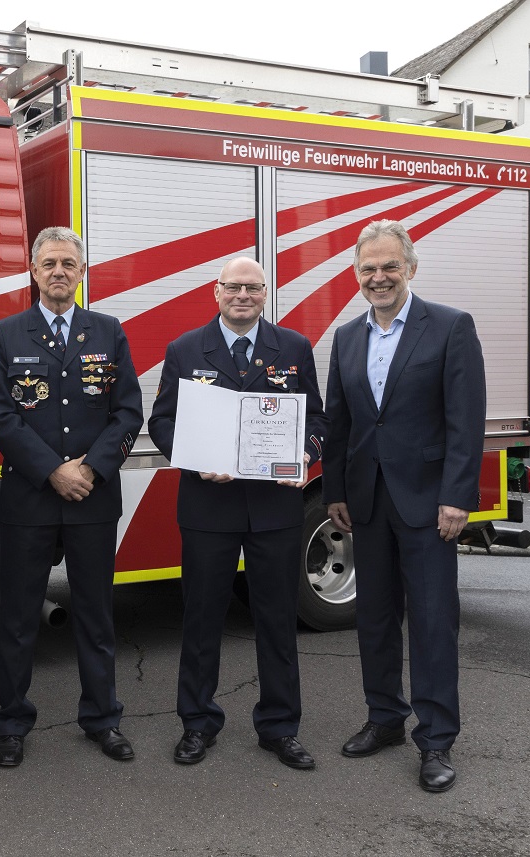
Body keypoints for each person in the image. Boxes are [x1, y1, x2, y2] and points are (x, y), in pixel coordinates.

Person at [324, 219, 486, 793]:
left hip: (428, 505)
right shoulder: (346, 338)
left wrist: (456, 497)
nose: (379, 277)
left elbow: (465, 421)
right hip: (366, 502)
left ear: (411, 268)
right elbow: (339, 423)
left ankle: (436, 739)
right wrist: (335, 492)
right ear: (356, 275)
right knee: (374, 619)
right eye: (368, 269)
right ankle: (385, 718)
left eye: (390, 266)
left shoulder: (448, 327)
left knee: (434, 622)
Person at [147, 256, 326, 770]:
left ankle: (280, 727)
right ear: (216, 291)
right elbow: (162, 423)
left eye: (253, 287)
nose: (243, 295)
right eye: (234, 287)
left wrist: (307, 453)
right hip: (209, 508)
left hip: (274, 509)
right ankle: (197, 723)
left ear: (265, 293)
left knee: (276, 621)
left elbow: (316, 415)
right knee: (201, 619)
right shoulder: (185, 349)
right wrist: (197, 459)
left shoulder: (292, 347)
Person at [0, 226, 144, 767]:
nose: (58, 272)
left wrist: (90, 470)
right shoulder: (7, 333)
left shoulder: (109, 331)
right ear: (33, 271)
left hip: (92, 500)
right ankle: (11, 723)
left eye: (68, 264)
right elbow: (1, 414)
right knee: (19, 617)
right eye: (48, 263)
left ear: (81, 272)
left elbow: (127, 411)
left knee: (97, 616)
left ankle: (102, 718)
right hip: (31, 499)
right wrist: (53, 470)